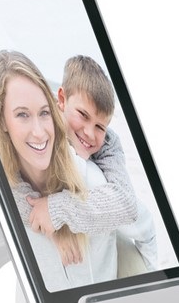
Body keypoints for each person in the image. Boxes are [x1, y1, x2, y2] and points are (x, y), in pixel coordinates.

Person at [27, 55, 158, 273]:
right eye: (82, 115)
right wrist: (54, 232)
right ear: (62, 99)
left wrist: (57, 209)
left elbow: (127, 204)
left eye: (100, 126)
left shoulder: (108, 143)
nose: (89, 133)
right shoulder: (41, 125)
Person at [0, 50, 98, 291]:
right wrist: (43, 217)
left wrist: (59, 210)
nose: (38, 132)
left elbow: (134, 214)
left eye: (44, 112)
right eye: (22, 115)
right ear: (2, 120)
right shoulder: (0, 190)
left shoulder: (86, 176)